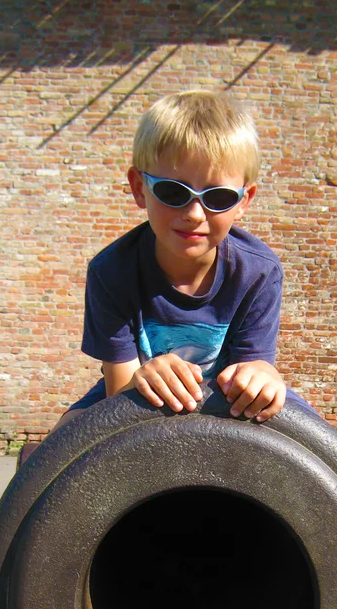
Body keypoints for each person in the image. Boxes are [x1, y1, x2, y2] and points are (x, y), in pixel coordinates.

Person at [20, 90, 311, 465]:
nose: (193, 213)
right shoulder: (112, 271)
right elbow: (117, 393)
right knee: (58, 449)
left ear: (244, 201)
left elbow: (247, 375)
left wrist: (262, 372)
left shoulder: (258, 272)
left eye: (218, 197)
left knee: (314, 444)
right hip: (138, 389)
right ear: (140, 188)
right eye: (173, 192)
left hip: (224, 391)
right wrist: (142, 376)